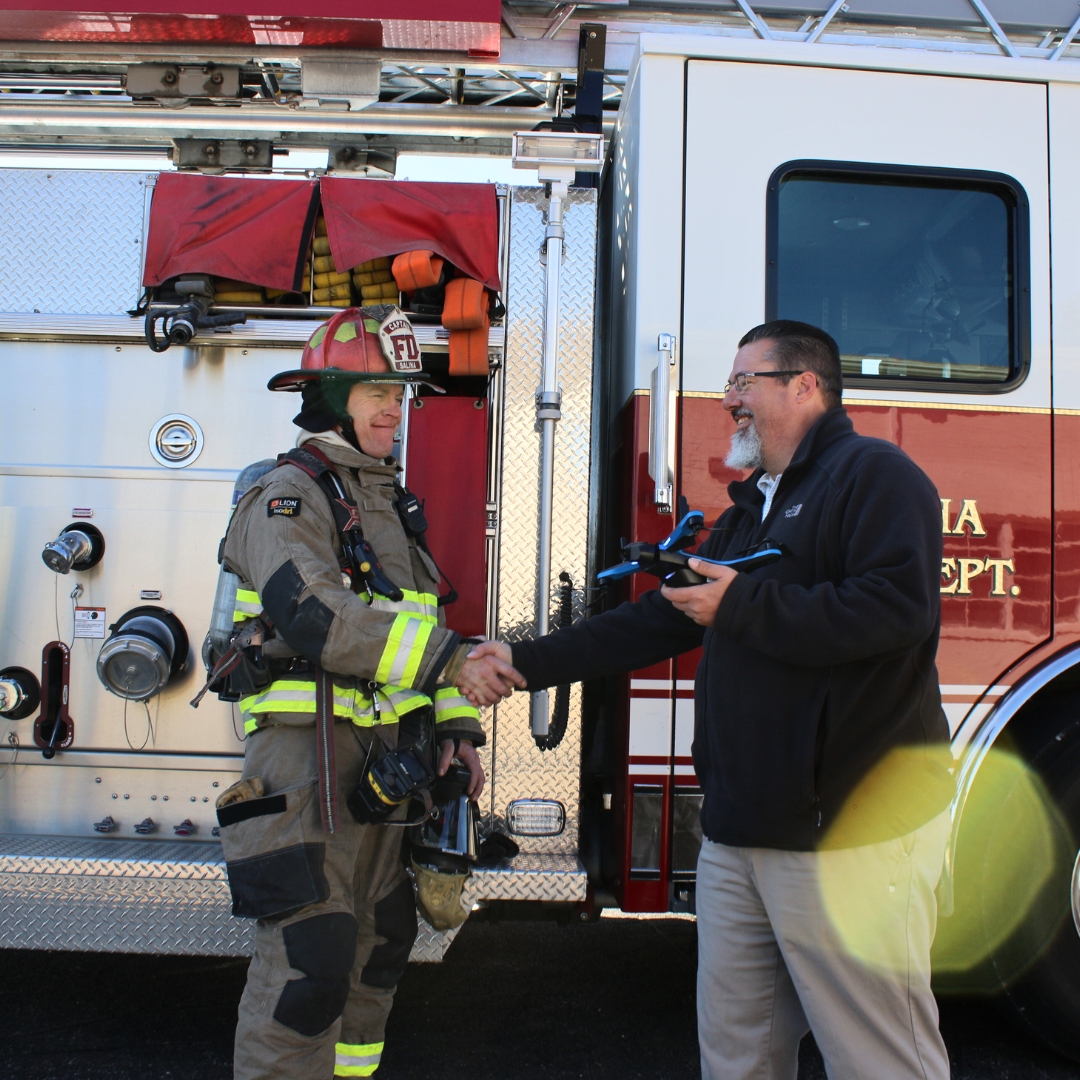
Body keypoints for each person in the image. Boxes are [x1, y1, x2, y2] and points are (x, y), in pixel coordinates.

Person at [471, 320, 955, 1080]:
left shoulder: (876, 476)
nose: (728, 400)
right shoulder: (750, 508)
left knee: (880, 1060)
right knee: (737, 1056)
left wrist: (741, 607)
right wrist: (524, 663)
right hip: (739, 836)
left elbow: (897, 612)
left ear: (805, 387)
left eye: (743, 383)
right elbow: (658, 619)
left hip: (848, 837)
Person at [215, 306, 519, 1080]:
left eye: (401, 391)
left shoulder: (384, 499)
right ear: (328, 396)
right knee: (308, 967)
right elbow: (315, 615)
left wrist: (455, 731)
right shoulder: (287, 495)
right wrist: (452, 664)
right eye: (375, 388)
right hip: (306, 767)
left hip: (389, 768)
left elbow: (424, 619)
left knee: (379, 949)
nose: (394, 406)